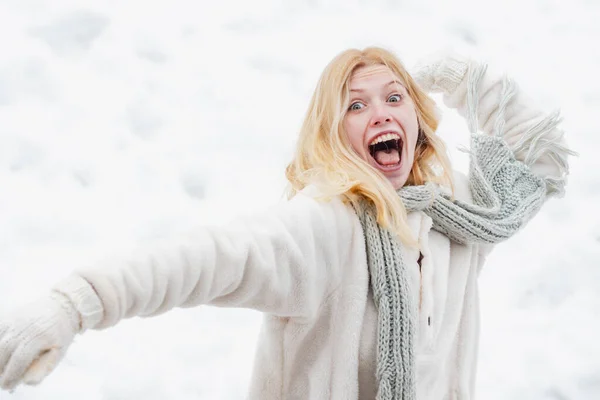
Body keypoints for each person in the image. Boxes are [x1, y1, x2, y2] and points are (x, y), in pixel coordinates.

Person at [0, 47, 573, 399]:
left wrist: (480, 87)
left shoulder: (461, 219)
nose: (379, 112)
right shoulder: (324, 227)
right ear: (335, 135)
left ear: (417, 123)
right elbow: (204, 258)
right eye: (355, 104)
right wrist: (74, 303)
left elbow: (540, 167)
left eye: (394, 97)